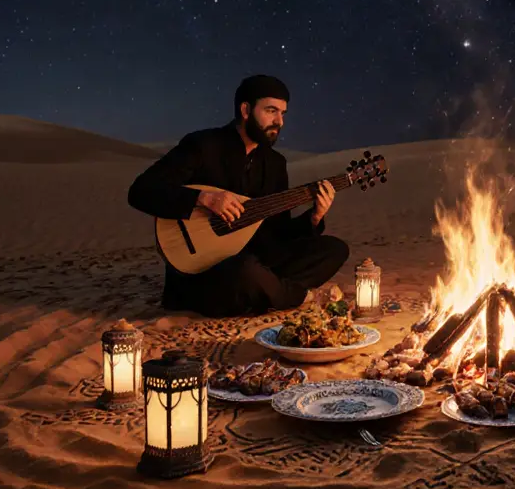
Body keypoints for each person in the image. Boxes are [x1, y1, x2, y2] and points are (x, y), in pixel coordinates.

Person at [127, 74, 350, 317]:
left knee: (334, 249)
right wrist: (203, 198)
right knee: (244, 271)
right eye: (271, 111)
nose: (279, 121)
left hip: (256, 260)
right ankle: (291, 295)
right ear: (245, 110)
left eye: (283, 113)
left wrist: (314, 218)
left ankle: (265, 291)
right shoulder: (203, 145)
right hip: (205, 271)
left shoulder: (275, 163)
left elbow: (279, 231)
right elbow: (141, 190)